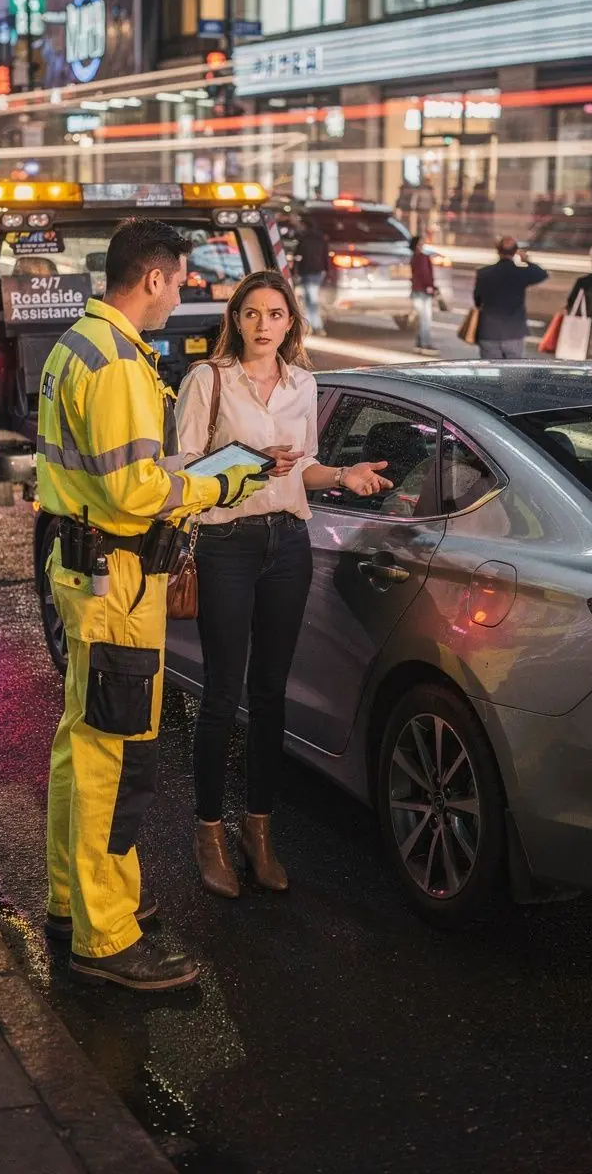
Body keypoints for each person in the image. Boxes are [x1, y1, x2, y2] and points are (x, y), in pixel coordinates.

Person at [37, 220, 267, 991]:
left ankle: (75, 902)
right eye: (182, 280)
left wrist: (186, 472)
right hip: (120, 581)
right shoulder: (117, 366)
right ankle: (107, 941)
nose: (186, 293)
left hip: (86, 571)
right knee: (118, 756)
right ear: (156, 278)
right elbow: (135, 492)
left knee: (81, 745)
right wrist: (220, 484)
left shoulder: (79, 345)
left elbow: (121, 469)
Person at [175, 271, 392, 899]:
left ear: (290, 322)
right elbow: (184, 472)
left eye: (275, 314)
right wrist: (246, 464)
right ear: (235, 320)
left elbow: (305, 467)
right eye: (251, 313)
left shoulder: (304, 384)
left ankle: (259, 830)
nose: (264, 324)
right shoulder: (207, 380)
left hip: (287, 544)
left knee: (271, 694)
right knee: (221, 693)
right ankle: (208, 831)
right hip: (226, 544)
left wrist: (343, 475)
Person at [473, 236, 549, 360]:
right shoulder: (520, 273)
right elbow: (542, 274)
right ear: (515, 252)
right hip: (514, 331)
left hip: (489, 330)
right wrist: (526, 259)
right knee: (512, 373)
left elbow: (477, 300)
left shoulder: (484, 273)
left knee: (490, 371)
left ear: (497, 251)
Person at [294, 215, 329, 335]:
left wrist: (295, 271)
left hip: (307, 271)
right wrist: (326, 271)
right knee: (311, 298)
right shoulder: (321, 238)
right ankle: (314, 325)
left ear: (305, 225)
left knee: (310, 299)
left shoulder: (303, 238)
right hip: (318, 272)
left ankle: (315, 326)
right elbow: (326, 256)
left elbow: (297, 257)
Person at [409, 234, 439, 354]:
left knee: (423, 319)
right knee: (426, 320)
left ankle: (419, 343)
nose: (422, 244)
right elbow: (425, 274)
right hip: (424, 292)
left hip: (416, 291)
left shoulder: (413, 257)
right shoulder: (422, 257)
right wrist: (430, 287)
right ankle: (426, 344)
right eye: (421, 242)